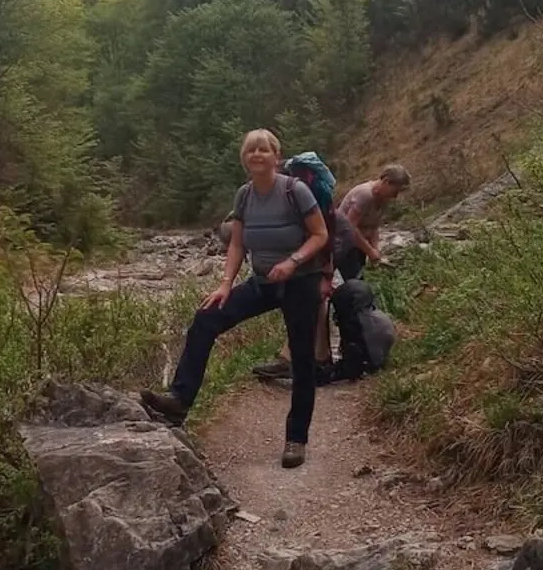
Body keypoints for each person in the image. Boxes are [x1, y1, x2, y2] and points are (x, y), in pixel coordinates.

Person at [141, 129, 332, 469]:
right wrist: (225, 284)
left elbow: (320, 235)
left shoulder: (295, 190)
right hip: (262, 282)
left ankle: (296, 439)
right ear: (244, 158)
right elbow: (237, 244)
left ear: (276, 156)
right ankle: (180, 399)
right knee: (206, 319)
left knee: (302, 359)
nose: (257, 154)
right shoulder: (244, 196)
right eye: (250, 150)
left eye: (263, 149)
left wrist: (292, 262)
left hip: (300, 282)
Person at [252, 163, 411, 381]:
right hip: (340, 246)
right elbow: (350, 229)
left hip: (342, 247)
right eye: (396, 190)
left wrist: (375, 252)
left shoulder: (377, 200)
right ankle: (314, 356)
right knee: (320, 296)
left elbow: (370, 228)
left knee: (329, 296)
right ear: (385, 181)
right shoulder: (363, 195)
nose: (396, 196)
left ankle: (319, 356)